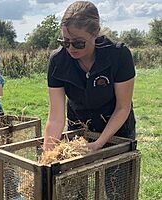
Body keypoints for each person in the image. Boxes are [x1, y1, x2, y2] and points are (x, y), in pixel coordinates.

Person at [45, 1, 136, 199]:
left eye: (78, 42)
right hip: (79, 130)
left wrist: (100, 142)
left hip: (116, 130)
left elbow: (123, 107)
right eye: (65, 42)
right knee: (73, 190)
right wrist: (48, 156)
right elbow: (55, 118)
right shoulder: (57, 61)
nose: (71, 48)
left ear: (95, 33)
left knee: (116, 189)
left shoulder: (118, 55)